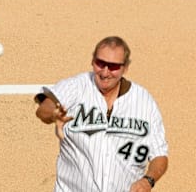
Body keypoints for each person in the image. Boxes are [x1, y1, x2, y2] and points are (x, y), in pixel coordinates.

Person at [34, 36, 168, 192]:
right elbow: (43, 109)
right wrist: (54, 113)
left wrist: (148, 181)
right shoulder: (76, 87)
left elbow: (160, 156)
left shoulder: (144, 102)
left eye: (113, 66)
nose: (105, 72)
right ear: (92, 61)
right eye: (100, 63)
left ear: (125, 68)